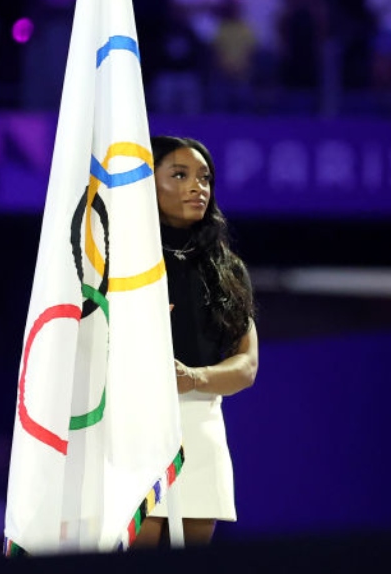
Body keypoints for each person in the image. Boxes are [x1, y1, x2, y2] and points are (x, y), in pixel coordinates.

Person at [132, 135, 259, 548]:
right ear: (147, 181)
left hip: (201, 423)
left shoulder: (228, 268)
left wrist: (195, 378)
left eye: (204, 178)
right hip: (133, 423)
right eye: (180, 174)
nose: (196, 187)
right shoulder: (122, 260)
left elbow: (247, 365)